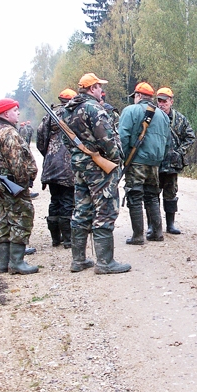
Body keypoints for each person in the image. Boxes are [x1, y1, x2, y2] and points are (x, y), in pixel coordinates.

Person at [62, 73, 130, 274]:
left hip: (80, 165)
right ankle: (104, 262)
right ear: (92, 88)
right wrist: (116, 159)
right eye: (99, 87)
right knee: (105, 209)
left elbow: (67, 141)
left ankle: (79, 260)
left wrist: (79, 154)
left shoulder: (68, 110)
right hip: (98, 166)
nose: (102, 91)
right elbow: (107, 139)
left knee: (82, 209)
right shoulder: (94, 108)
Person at [0, 98, 39, 275]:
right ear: (5, 113)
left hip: (1, 184)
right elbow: (17, 163)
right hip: (13, 184)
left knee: (5, 220)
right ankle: (17, 263)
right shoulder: (9, 133)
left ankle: (4, 263)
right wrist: (24, 182)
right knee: (22, 217)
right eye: (15, 110)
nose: (18, 113)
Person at [119, 82, 170, 245]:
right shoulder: (163, 115)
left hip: (136, 161)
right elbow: (168, 142)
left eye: (134, 96)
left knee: (134, 195)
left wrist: (125, 158)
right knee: (152, 195)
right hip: (155, 163)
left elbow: (122, 137)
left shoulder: (130, 111)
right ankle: (157, 232)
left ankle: (138, 235)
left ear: (138, 96)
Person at [36, 88, 76, 249]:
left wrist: (49, 154)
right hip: (68, 165)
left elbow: (40, 139)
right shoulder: (74, 114)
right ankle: (68, 239)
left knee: (55, 200)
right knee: (67, 200)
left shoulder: (49, 115)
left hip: (51, 165)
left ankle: (55, 238)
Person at [155, 87, 195, 235]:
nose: (161, 104)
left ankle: (170, 225)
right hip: (155, 164)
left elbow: (190, 137)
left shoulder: (180, 119)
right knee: (153, 195)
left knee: (170, 195)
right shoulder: (151, 117)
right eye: (159, 100)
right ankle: (154, 225)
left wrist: (179, 152)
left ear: (171, 101)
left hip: (172, 165)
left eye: (164, 101)